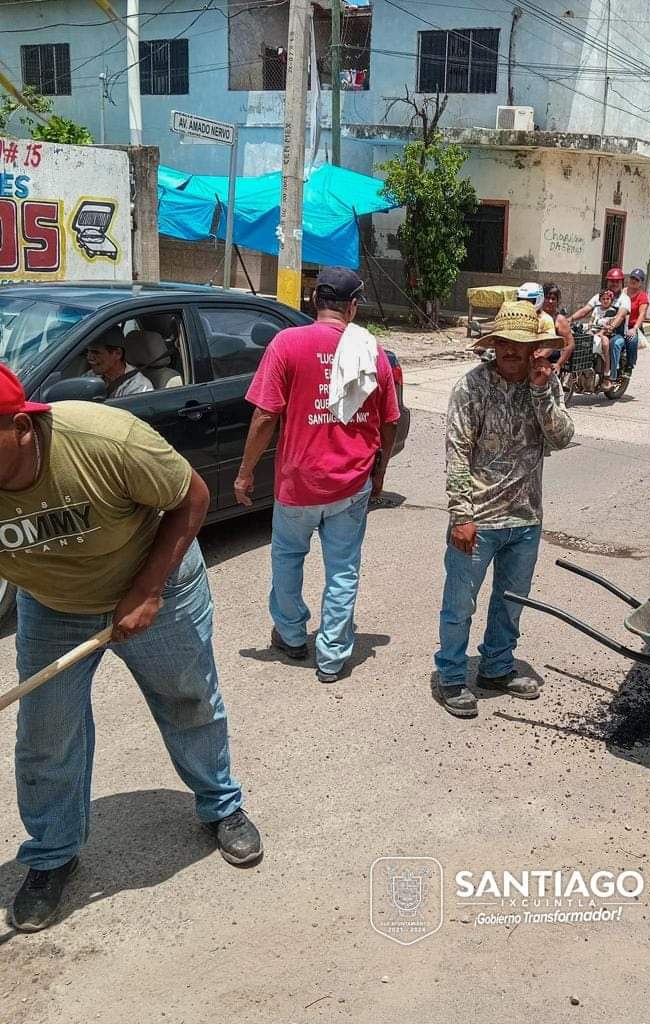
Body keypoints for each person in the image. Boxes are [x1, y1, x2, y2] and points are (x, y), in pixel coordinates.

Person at [0, 364, 260, 933]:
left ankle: (221, 804)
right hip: (52, 605)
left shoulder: (102, 439)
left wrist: (146, 591)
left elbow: (191, 497)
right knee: (45, 734)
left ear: (20, 426)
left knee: (189, 700)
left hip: (157, 585)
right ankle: (51, 855)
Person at [234, 267, 400, 684]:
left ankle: (291, 636)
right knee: (343, 569)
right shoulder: (370, 349)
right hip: (351, 482)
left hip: (297, 483)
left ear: (314, 302)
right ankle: (331, 658)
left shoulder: (287, 343)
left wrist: (245, 472)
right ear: (354, 306)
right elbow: (390, 421)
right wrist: (380, 471)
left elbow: (265, 415)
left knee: (288, 559)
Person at [434, 300, 574, 718]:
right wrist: (461, 515)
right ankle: (452, 676)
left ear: (535, 347)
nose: (512, 350)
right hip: (478, 519)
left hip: (526, 518)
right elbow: (457, 451)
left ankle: (496, 666)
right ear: (494, 344)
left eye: (522, 343)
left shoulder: (545, 383)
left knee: (511, 601)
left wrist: (541, 391)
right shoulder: (471, 387)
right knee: (460, 604)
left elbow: (563, 437)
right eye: (505, 343)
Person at [570, 267, 630, 385]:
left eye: (617, 281)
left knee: (612, 344)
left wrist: (611, 327)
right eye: (612, 281)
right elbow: (585, 310)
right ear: (607, 281)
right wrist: (569, 319)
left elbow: (620, 316)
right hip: (596, 330)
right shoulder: (599, 296)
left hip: (615, 333)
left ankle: (609, 376)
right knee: (580, 340)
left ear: (622, 282)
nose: (614, 283)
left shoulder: (624, 299)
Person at [85, 327, 153, 399]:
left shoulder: (139, 387)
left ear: (118, 353)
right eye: (87, 352)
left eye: (96, 352)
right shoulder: (91, 376)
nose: (89, 357)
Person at [541, 282, 576, 373]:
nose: (550, 301)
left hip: (551, 358)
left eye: (553, 299)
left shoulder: (559, 320)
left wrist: (559, 364)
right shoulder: (536, 315)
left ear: (557, 301)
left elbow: (570, 344)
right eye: (547, 298)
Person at [622, 267, 650, 374]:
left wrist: (634, 329)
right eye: (632, 277)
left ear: (641, 283)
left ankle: (630, 365)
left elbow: (642, 314)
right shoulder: (622, 292)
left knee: (632, 340)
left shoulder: (642, 296)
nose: (633, 281)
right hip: (619, 324)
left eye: (637, 279)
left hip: (632, 326)